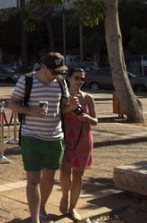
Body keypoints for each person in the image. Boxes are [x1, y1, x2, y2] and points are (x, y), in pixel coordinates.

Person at [9, 52, 79, 223]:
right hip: (31, 137)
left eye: (60, 71)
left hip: (55, 138)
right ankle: (35, 220)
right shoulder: (27, 81)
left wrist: (71, 107)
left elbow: (61, 109)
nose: (57, 75)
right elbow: (12, 103)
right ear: (44, 67)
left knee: (49, 176)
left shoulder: (61, 83)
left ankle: (41, 209)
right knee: (33, 179)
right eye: (54, 71)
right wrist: (29, 111)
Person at [59, 66, 98, 221]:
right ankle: (64, 196)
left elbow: (95, 121)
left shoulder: (88, 98)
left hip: (84, 138)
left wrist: (87, 118)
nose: (80, 81)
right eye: (77, 78)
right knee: (64, 172)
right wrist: (70, 108)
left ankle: (72, 207)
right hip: (66, 137)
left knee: (78, 174)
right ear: (68, 78)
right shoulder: (62, 96)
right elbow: (57, 114)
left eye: (82, 78)